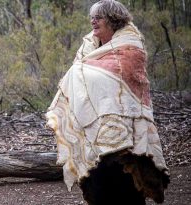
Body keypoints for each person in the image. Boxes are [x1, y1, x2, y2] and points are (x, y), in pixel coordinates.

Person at [46, 1, 169, 205]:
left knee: (125, 181)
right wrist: (79, 73)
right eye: (91, 17)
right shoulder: (89, 45)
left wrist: (80, 72)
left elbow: (121, 82)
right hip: (92, 128)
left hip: (126, 126)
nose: (93, 21)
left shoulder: (131, 46)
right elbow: (79, 72)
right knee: (98, 182)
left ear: (113, 19)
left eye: (98, 17)